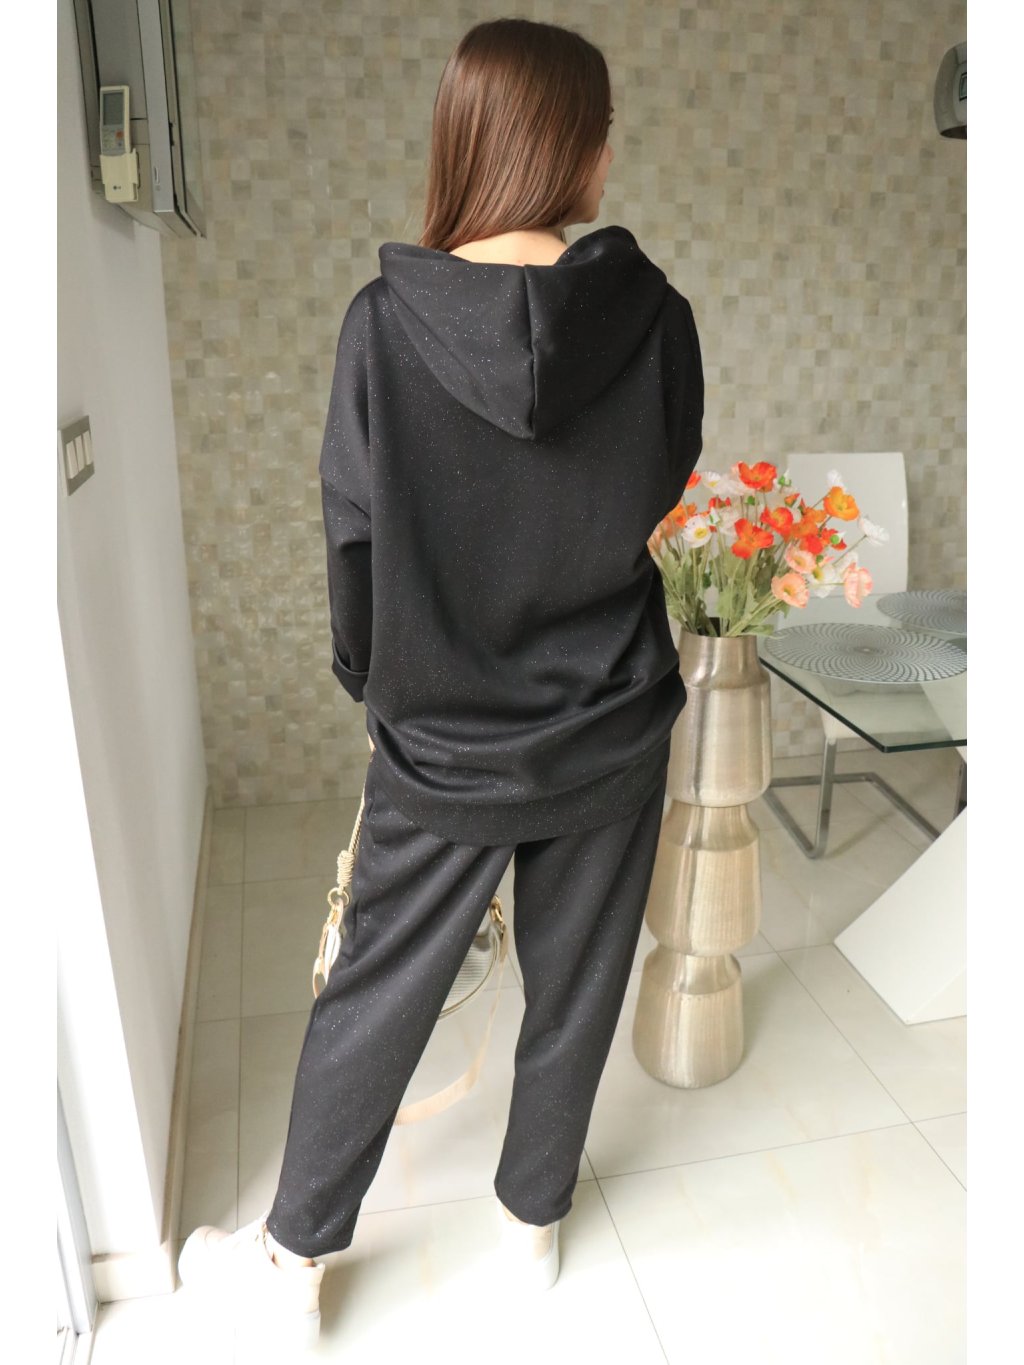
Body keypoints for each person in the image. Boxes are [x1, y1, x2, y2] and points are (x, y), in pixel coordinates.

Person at [177, 15, 703, 1350]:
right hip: (612, 712)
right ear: (574, 149)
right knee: (580, 979)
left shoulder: (384, 327)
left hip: (445, 732)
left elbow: (354, 540)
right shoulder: (654, 318)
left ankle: (295, 1261)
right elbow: (657, 485)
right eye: (602, 132)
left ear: (465, 139)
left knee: (375, 989)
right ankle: (532, 1223)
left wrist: (383, 686)